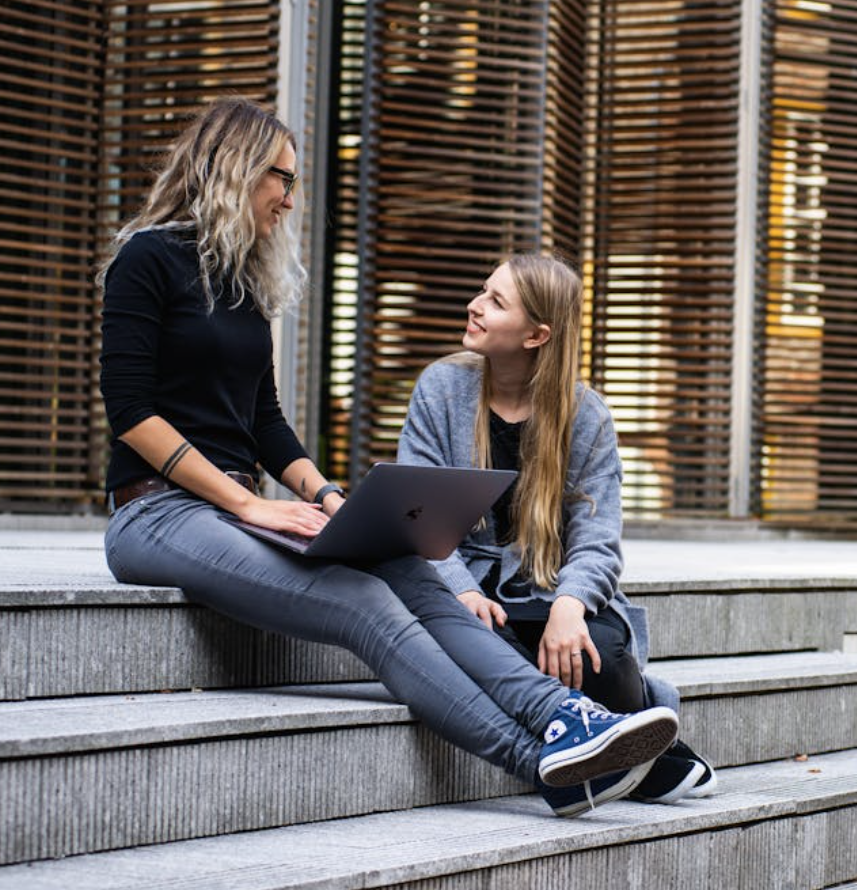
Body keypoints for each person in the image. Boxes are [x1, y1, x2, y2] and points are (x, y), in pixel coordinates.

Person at [96, 97, 678, 818]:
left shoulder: (243, 284)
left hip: (240, 511)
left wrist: (335, 501)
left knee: (404, 564)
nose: (290, 196)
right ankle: (540, 763)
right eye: (283, 177)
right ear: (236, 167)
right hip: (157, 513)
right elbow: (130, 414)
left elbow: (268, 425)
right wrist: (247, 502)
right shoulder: (146, 259)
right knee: (366, 602)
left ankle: (564, 716)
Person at [397, 252, 716, 805]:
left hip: (548, 589)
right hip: (467, 589)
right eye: (482, 290)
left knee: (601, 652)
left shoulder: (585, 413)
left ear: (536, 335)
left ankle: (622, 741)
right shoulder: (441, 388)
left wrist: (571, 606)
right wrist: (462, 589)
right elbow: (415, 512)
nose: (474, 306)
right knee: (479, 646)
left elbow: (598, 537)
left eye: (495, 302)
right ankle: (651, 758)